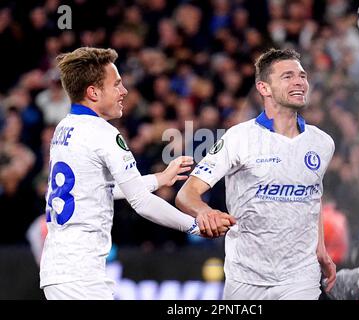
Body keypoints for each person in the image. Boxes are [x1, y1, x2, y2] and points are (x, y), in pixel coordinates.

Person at [40, 47, 234, 300]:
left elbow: (99, 189)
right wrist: (196, 226)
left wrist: (159, 179)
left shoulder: (64, 128)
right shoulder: (103, 133)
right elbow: (141, 203)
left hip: (62, 268)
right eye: (117, 85)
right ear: (93, 92)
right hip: (80, 274)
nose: (124, 92)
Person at [176, 48, 336, 300]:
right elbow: (187, 194)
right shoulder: (238, 138)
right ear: (264, 88)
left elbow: (312, 196)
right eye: (287, 76)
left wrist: (321, 248)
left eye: (302, 76)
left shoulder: (322, 142)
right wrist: (205, 212)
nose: (299, 82)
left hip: (299, 277)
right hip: (245, 278)